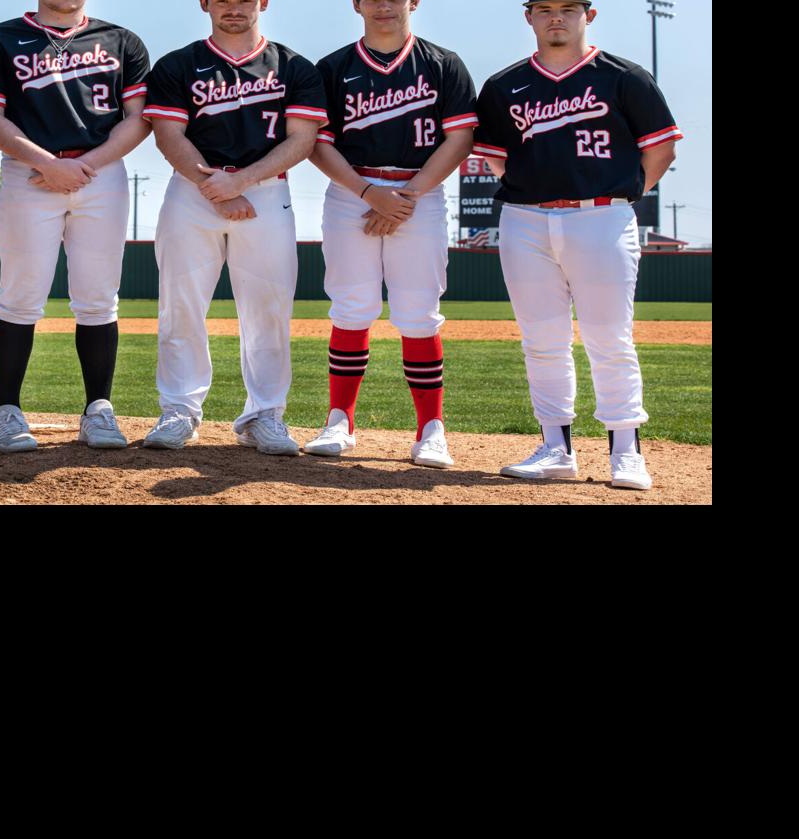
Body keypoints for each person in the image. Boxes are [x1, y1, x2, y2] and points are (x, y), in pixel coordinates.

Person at [472, 0, 681, 490]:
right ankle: (556, 448)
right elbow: (498, 160)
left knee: (610, 339)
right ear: (529, 18)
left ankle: (626, 453)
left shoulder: (625, 77)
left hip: (602, 216)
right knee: (541, 341)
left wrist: (617, 196)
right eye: (544, 9)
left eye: (568, 8)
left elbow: (661, 148)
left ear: (590, 14)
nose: (556, 18)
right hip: (526, 219)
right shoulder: (504, 86)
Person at [139, 0, 328, 454]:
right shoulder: (179, 64)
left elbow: (303, 138)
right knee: (180, 306)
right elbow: (168, 134)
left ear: (263, 3)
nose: (233, 7)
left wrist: (241, 182)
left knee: (268, 309)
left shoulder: (293, 66)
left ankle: (265, 414)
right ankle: (179, 410)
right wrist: (215, 187)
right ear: (204, 4)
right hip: (193, 189)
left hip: (264, 190)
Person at [0, 1, 153, 453]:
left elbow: (139, 118)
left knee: (98, 297)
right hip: (28, 172)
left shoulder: (122, 40)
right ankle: (8, 412)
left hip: (102, 172)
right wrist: (47, 164)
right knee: (20, 294)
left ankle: (99, 409)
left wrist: (85, 165)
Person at [302, 0, 476, 469]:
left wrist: (407, 197)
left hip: (421, 192)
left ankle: (431, 430)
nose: (384, 4)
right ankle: (340, 419)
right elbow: (316, 142)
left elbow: (459, 139)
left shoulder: (442, 63)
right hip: (350, 191)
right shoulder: (334, 67)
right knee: (351, 306)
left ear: (413, 2)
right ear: (356, 4)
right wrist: (367, 192)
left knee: (419, 313)